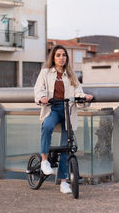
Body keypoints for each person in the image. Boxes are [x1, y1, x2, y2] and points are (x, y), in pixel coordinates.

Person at [34, 45, 93, 194]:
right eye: (58, 55)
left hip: (68, 109)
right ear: (53, 58)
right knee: (46, 126)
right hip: (52, 108)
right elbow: (39, 89)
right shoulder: (45, 73)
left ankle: (63, 182)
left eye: (64, 55)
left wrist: (84, 97)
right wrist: (42, 97)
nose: (61, 58)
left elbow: (78, 91)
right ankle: (44, 161)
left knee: (67, 145)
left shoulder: (71, 75)